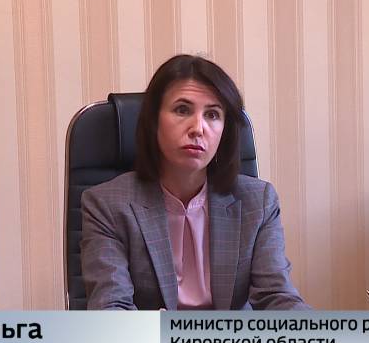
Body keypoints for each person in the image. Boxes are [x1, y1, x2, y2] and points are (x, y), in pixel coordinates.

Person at [81, 54, 309, 311]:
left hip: (231, 338)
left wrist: (319, 333)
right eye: (182, 110)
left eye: (212, 114)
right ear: (153, 121)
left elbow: (277, 296)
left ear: (225, 132)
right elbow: (111, 309)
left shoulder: (258, 201)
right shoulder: (107, 205)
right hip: (148, 338)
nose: (198, 128)